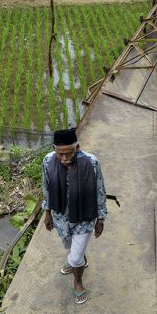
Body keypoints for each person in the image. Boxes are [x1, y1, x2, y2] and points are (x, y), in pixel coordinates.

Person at [42, 127, 107, 304]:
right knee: (69, 246)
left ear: (77, 148)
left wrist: (100, 219)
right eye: (59, 154)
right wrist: (47, 214)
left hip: (85, 216)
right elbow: (46, 188)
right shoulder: (48, 161)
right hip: (61, 216)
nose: (64, 159)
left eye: (68, 153)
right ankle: (79, 258)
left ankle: (78, 281)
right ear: (54, 150)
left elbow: (100, 191)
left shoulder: (91, 162)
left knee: (75, 257)